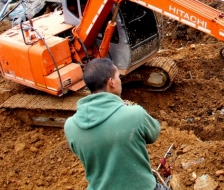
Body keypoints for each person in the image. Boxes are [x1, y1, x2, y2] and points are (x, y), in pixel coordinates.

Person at [64, 58, 163, 190]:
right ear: (111, 82)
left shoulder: (70, 126)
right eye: (118, 77)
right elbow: (154, 134)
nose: (120, 81)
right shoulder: (135, 114)